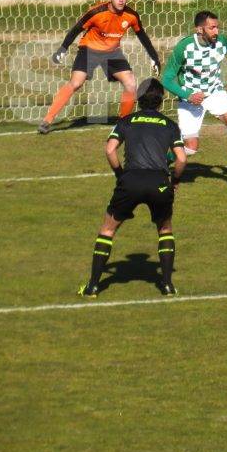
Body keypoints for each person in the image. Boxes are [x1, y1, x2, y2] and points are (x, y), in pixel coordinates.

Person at [78, 78, 186, 298]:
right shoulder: (169, 125)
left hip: (131, 181)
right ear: (161, 101)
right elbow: (181, 158)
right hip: (159, 183)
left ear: (138, 99)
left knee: (108, 230)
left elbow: (110, 150)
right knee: (164, 230)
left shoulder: (127, 121)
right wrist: (174, 180)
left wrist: (120, 175)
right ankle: (167, 285)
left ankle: (93, 287)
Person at [39, 0, 161, 134]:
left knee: (130, 83)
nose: (121, 0)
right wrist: (63, 49)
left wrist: (153, 56)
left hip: (112, 52)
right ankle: (47, 120)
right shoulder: (96, 12)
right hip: (89, 49)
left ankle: (122, 123)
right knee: (76, 83)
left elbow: (141, 34)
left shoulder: (131, 15)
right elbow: (76, 29)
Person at [161, 11, 227, 190]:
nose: (216, 31)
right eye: (212, 28)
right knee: (191, 147)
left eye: (217, 27)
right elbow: (167, 78)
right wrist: (188, 95)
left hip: (215, 92)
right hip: (191, 98)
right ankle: (162, 161)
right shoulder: (184, 47)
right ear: (199, 29)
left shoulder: (223, 42)